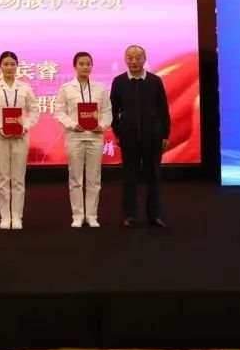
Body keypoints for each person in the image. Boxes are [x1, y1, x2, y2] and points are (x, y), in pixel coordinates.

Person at [109, 45, 171, 228]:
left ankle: (155, 215)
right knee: (129, 176)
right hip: (128, 137)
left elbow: (163, 109)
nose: (134, 61)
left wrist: (165, 134)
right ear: (125, 60)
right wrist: (118, 132)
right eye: (130, 58)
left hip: (152, 136)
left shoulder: (154, 81)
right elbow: (113, 111)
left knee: (154, 175)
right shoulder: (119, 82)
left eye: (138, 57)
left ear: (145, 59)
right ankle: (130, 215)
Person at [0, 50, 40, 229]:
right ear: (0, 66)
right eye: (5, 64)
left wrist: (25, 127)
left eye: (12, 64)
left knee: (18, 178)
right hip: (0, 137)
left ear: (17, 66)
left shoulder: (25, 88)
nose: (9, 67)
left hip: (21, 137)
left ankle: (17, 217)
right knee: (3, 178)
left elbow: (34, 111)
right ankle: (5, 217)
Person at [54, 52, 113, 228]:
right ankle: (78, 216)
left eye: (88, 64)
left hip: (95, 136)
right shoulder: (66, 88)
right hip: (75, 136)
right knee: (76, 178)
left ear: (92, 66)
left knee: (94, 178)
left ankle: (92, 216)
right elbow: (59, 112)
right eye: (81, 64)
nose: (85, 67)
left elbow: (107, 112)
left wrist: (101, 125)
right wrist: (73, 124)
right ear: (75, 66)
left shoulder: (100, 88)